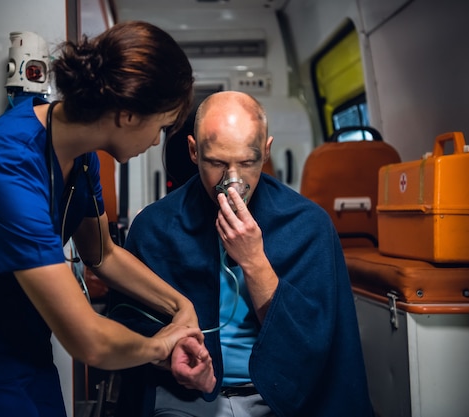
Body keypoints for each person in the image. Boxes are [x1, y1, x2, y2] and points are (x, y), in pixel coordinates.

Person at [0, 21, 213, 417]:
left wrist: (180, 306)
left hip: (26, 355)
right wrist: (162, 344)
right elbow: (90, 342)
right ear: (126, 115)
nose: (157, 140)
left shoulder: (81, 156)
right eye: (160, 125)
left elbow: (102, 253)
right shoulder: (5, 165)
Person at [109, 91, 374, 416]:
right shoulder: (155, 226)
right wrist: (172, 354)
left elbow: (313, 345)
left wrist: (253, 260)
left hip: (279, 392)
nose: (232, 182)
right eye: (217, 163)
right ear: (194, 151)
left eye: (247, 163)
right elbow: (125, 320)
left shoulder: (309, 225)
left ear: (266, 151)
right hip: (183, 394)